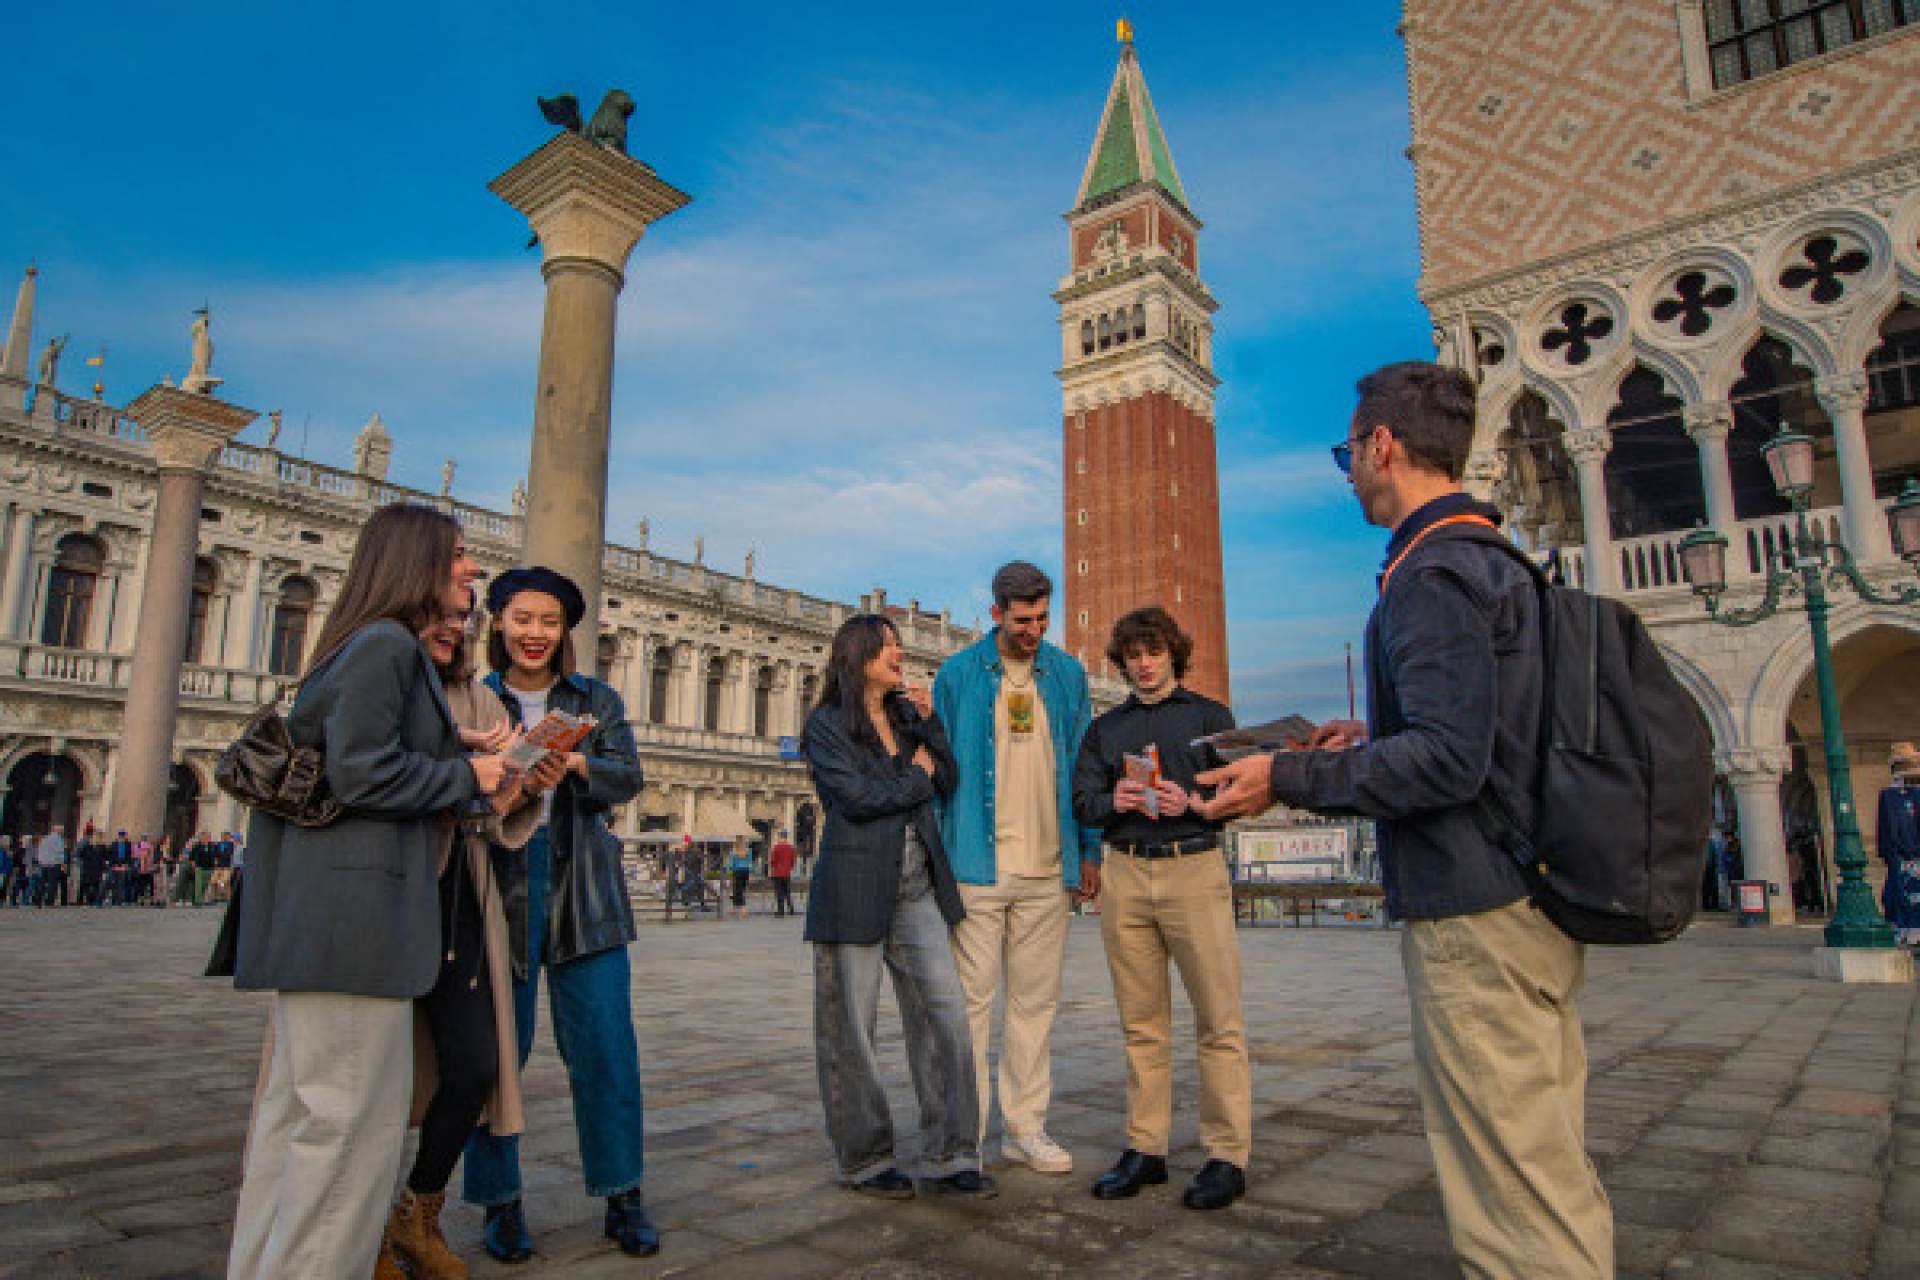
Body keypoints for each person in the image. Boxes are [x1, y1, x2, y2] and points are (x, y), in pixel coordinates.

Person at [1196, 361, 1613, 1278]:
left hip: (1477, 914)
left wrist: (1288, 773)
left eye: (1349, 451)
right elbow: (1486, 735)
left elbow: (1449, 761)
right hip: (1530, 898)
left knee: (1512, 1193)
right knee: (1544, 1157)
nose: (1348, 471)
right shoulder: (1498, 559)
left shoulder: (1429, 573)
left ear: (1382, 445)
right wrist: (1372, 734)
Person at [228, 503, 510, 1280]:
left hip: (326, 928)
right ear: (415, 562)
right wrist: (470, 774)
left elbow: (354, 757)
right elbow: (361, 772)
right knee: (348, 1138)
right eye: (457, 555)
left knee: (297, 1131)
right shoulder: (385, 645)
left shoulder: (363, 645)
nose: (471, 570)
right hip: (355, 932)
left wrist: (453, 743)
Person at [461, 567, 657, 1263]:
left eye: (548, 622)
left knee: (605, 1045)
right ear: (500, 623)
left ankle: (623, 1193)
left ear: (564, 631)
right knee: (496, 1054)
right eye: (522, 618)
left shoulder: (594, 699)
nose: (535, 633)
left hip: (584, 885)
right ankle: (500, 1203)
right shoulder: (473, 698)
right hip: (495, 881)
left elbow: (627, 776)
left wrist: (572, 766)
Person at [373, 590, 552, 1280]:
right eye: (444, 614)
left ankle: (417, 1214)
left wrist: (517, 786)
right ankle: (359, 1231)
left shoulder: (477, 698)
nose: (455, 627)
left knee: (475, 1064)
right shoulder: (377, 676)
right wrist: (458, 764)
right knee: (374, 1077)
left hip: (458, 903)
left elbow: (491, 816)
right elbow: (363, 771)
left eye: (463, 619)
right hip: (383, 898)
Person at [803, 613, 992, 1200]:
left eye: (899, 645)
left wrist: (931, 732)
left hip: (917, 890)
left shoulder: (908, 718)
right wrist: (916, 778)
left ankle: (952, 1151)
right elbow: (858, 799)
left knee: (946, 1017)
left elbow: (950, 778)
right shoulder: (827, 725)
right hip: (854, 886)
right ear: (855, 655)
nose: (898, 654)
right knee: (850, 1030)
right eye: (887, 646)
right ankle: (864, 1158)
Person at [1071, 606, 1249, 1211]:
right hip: (1125, 872)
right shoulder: (1105, 730)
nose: (1143, 666)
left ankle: (1227, 1154)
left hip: (1193, 866)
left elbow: (1242, 794)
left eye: (1153, 653)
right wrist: (1112, 796)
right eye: (1132, 657)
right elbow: (1081, 798)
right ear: (1121, 664)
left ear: (1173, 653)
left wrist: (1193, 802)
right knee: (1141, 1022)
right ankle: (1145, 1147)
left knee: (1218, 1020)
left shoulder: (1209, 717)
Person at [933, 561, 1098, 1174]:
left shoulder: (1069, 676)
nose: (1035, 631)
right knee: (969, 1006)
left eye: (1043, 619)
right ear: (997, 612)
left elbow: (1085, 769)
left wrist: (1090, 850)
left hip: (1048, 870)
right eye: (1024, 620)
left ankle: (1025, 1127)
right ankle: (965, 1136)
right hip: (976, 863)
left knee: (1035, 1005)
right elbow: (939, 774)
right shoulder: (957, 676)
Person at [1879, 742, 1920, 946]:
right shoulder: (1889, 796)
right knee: (1900, 895)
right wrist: (1891, 853)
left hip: (1911, 854)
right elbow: (1887, 828)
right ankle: (1905, 932)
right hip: (1901, 856)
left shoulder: (1915, 794)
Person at [34, 826, 67, 907]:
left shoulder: (45, 839)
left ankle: (38, 899)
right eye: (62, 831)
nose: (63, 832)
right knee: (52, 883)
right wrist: (62, 864)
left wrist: (40, 861)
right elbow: (60, 853)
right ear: (58, 831)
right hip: (54, 864)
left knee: (42, 883)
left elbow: (39, 851)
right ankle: (49, 901)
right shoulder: (59, 840)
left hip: (43, 864)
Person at [769, 829, 798, 917]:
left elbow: (773, 860)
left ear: (780, 837)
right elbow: (793, 860)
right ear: (786, 837)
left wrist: (773, 867)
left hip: (777, 873)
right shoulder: (791, 848)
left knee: (779, 892)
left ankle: (780, 911)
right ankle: (791, 909)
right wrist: (790, 868)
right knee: (787, 891)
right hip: (787, 873)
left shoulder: (776, 847)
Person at [727, 836, 753, 919]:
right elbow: (750, 863)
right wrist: (751, 873)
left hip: (737, 871)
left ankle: (743, 909)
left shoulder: (733, 852)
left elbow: (731, 865)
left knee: (737, 890)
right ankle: (734, 908)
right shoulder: (748, 851)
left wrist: (729, 869)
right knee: (741, 890)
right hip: (746, 872)